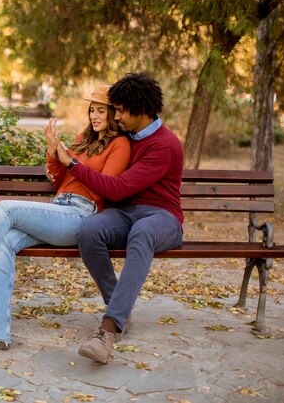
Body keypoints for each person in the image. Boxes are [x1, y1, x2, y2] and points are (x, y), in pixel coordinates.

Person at [0, 85, 131, 353]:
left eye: (101, 110)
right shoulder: (83, 138)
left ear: (113, 113)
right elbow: (58, 179)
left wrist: (70, 161)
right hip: (59, 208)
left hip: (81, 216)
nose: (94, 115)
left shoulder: (120, 144)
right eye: (92, 110)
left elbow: (106, 187)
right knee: (3, 243)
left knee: (6, 208)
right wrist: (53, 151)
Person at [52, 73, 184, 364]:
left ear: (140, 109)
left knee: (144, 231)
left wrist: (72, 164)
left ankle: (108, 329)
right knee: (89, 230)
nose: (117, 115)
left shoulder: (165, 145)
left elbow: (120, 187)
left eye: (121, 110)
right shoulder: (124, 139)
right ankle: (119, 307)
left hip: (162, 217)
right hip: (125, 213)